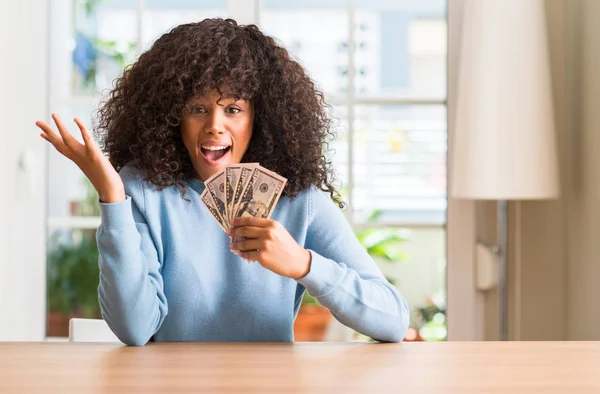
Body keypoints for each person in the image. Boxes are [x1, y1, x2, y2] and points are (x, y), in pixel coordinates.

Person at [35, 18, 409, 345]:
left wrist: (304, 264)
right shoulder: (143, 191)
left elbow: (392, 318)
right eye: (197, 109)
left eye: (233, 109)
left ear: (259, 120)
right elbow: (135, 329)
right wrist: (113, 197)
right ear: (173, 118)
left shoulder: (298, 198)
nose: (215, 124)